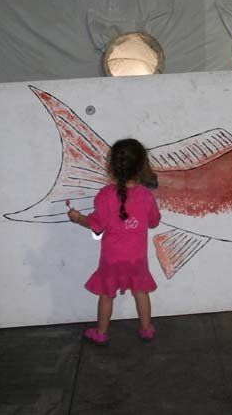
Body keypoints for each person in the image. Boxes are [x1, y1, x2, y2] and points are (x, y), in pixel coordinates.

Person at [67, 138, 162, 345]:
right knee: (141, 292)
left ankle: (101, 333)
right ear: (142, 166)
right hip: (137, 259)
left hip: (111, 259)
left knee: (106, 295)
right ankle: (146, 329)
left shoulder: (105, 196)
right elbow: (154, 222)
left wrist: (78, 218)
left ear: (111, 166)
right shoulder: (146, 196)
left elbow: (96, 225)